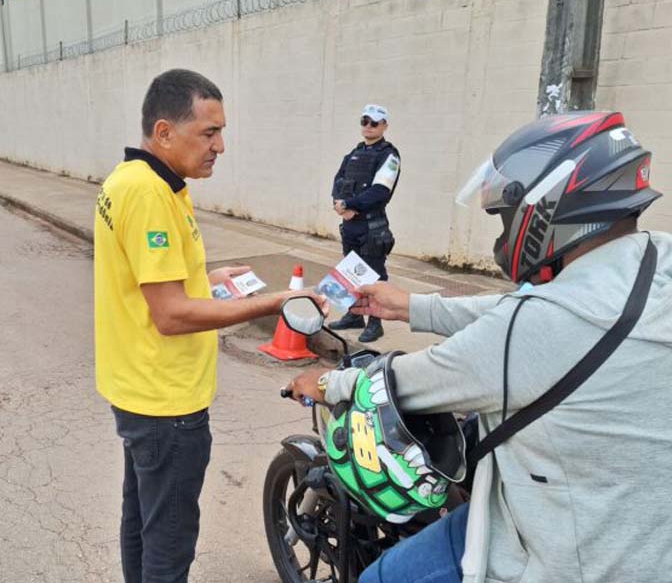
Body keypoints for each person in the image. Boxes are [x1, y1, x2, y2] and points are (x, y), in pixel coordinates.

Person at [287, 112, 670, 583]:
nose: (503, 232)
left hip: (560, 552)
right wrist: (413, 307)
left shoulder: (533, 330)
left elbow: (405, 381)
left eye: (506, 216)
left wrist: (325, 382)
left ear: (548, 208)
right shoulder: (656, 264)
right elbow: (532, 311)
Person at [93, 69, 326, 583]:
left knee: (143, 523)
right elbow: (172, 314)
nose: (221, 145)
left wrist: (207, 277)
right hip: (166, 402)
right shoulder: (151, 195)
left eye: (221, 131)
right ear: (164, 132)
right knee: (169, 544)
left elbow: (150, 282)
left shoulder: (135, 180)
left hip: (137, 389)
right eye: (209, 133)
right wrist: (270, 303)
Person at [329, 103, 401, 342]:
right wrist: (340, 205)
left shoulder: (389, 155)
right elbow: (338, 181)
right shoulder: (354, 153)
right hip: (350, 225)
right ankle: (354, 315)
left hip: (372, 226)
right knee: (352, 274)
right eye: (365, 122)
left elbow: (380, 190)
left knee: (374, 276)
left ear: (384, 126)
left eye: (374, 123)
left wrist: (351, 206)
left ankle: (375, 323)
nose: (368, 126)